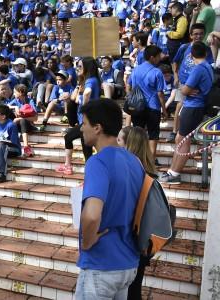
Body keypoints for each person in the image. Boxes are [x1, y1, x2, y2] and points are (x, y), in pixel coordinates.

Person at [76, 99, 144, 299]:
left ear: (97, 128)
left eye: (84, 123)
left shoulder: (97, 162)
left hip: (101, 264)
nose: (81, 128)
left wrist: (87, 242)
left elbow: (91, 215)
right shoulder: (134, 161)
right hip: (128, 262)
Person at [161, 41, 214, 184]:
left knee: (183, 140)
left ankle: (175, 173)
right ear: (206, 53)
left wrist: (187, 88)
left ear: (191, 55)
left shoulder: (199, 69)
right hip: (193, 106)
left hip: (193, 107)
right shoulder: (208, 66)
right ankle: (172, 170)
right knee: (180, 139)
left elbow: (184, 90)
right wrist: (188, 89)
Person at [117, 126, 157, 299]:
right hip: (143, 240)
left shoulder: (130, 174)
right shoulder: (149, 173)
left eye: (119, 140)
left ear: (129, 145)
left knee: (129, 292)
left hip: (131, 240)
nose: (115, 143)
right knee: (134, 289)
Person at [126, 45, 168, 157]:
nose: (160, 58)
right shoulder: (157, 72)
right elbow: (160, 93)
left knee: (137, 136)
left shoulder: (135, 70)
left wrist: (130, 96)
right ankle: (151, 163)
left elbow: (128, 85)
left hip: (137, 107)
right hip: (153, 108)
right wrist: (164, 110)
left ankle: (135, 160)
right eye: (158, 56)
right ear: (152, 57)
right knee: (153, 136)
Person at [0, 104, 22, 183]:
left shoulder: (11, 125)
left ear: (3, 116)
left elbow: (13, 142)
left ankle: (1, 174)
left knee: (1, 145)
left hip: (13, 149)